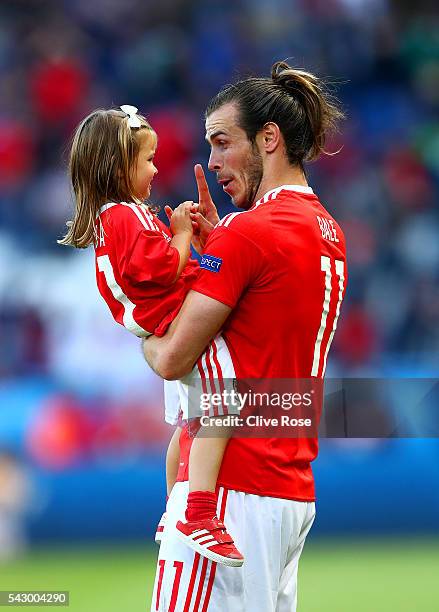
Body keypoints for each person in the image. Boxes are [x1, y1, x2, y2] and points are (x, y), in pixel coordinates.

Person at [143, 60, 347, 612]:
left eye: (222, 142)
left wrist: (134, 316)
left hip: (229, 493)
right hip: (290, 491)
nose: (211, 162)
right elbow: (263, 324)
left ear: (269, 139)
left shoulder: (247, 233)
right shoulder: (328, 231)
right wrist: (215, 256)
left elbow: (171, 358)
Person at [58, 105, 243, 567]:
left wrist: (205, 248)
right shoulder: (123, 214)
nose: (156, 169)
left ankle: (173, 507)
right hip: (173, 321)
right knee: (221, 411)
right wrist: (181, 234)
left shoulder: (121, 215)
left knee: (185, 426)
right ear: (119, 167)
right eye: (147, 160)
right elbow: (162, 268)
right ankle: (198, 512)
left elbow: (188, 269)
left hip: (164, 321)